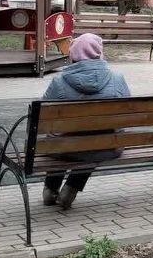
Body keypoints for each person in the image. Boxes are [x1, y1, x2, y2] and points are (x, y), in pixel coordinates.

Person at [41, 32, 131, 210]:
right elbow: (127, 115)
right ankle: (71, 188)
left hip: (65, 149)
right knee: (96, 143)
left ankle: (50, 189)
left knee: (60, 139)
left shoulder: (59, 82)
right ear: (99, 53)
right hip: (106, 147)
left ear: (73, 54)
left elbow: (42, 117)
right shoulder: (117, 79)